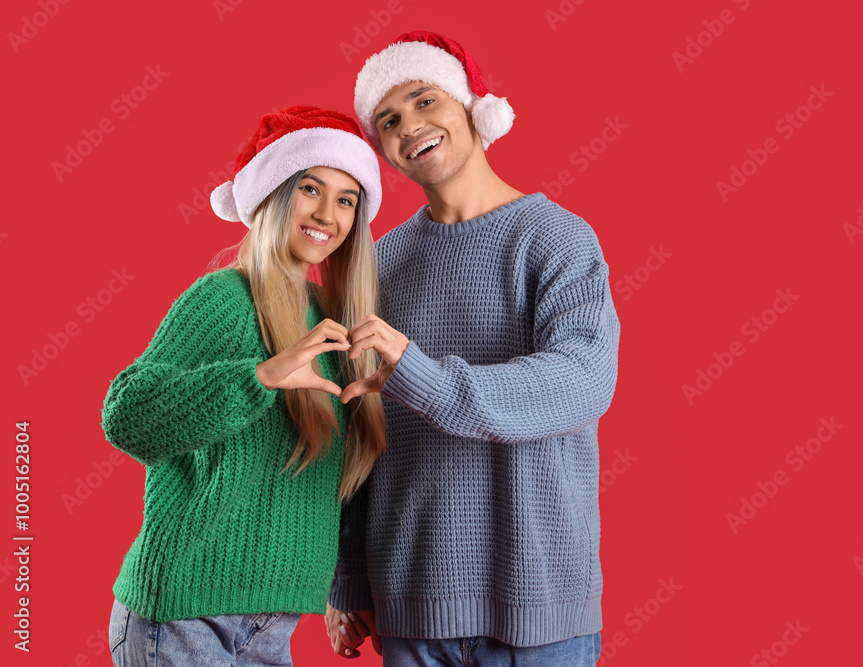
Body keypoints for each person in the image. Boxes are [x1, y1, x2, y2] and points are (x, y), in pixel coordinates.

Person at [325, 32, 621, 667]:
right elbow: (356, 426)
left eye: (425, 101)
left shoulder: (556, 238)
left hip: (541, 602)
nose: (411, 126)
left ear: (470, 108)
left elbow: (582, 379)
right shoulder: (379, 266)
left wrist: (420, 375)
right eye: (390, 120)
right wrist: (347, 578)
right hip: (410, 598)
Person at [102, 106, 386, 666]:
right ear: (275, 194)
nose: (327, 213)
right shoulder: (225, 300)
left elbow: (328, 484)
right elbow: (126, 416)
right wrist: (260, 378)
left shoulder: (332, 326)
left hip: (271, 626)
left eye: (346, 198)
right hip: (183, 619)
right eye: (310, 188)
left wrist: (344, 593)